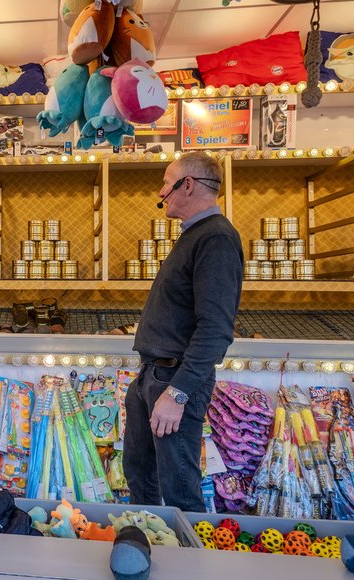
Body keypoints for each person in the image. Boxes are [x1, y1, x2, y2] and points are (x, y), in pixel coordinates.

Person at [124, 152, 244, 512]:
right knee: (140, 475)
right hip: (155, 374)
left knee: (179, 487)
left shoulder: (216, 238)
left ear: (187, 185)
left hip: (173, 379)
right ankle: (144, 547)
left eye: (167, 181)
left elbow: (216, 329)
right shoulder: (196, 236)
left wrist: (177, 393)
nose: (161, 190)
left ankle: (189, 563)